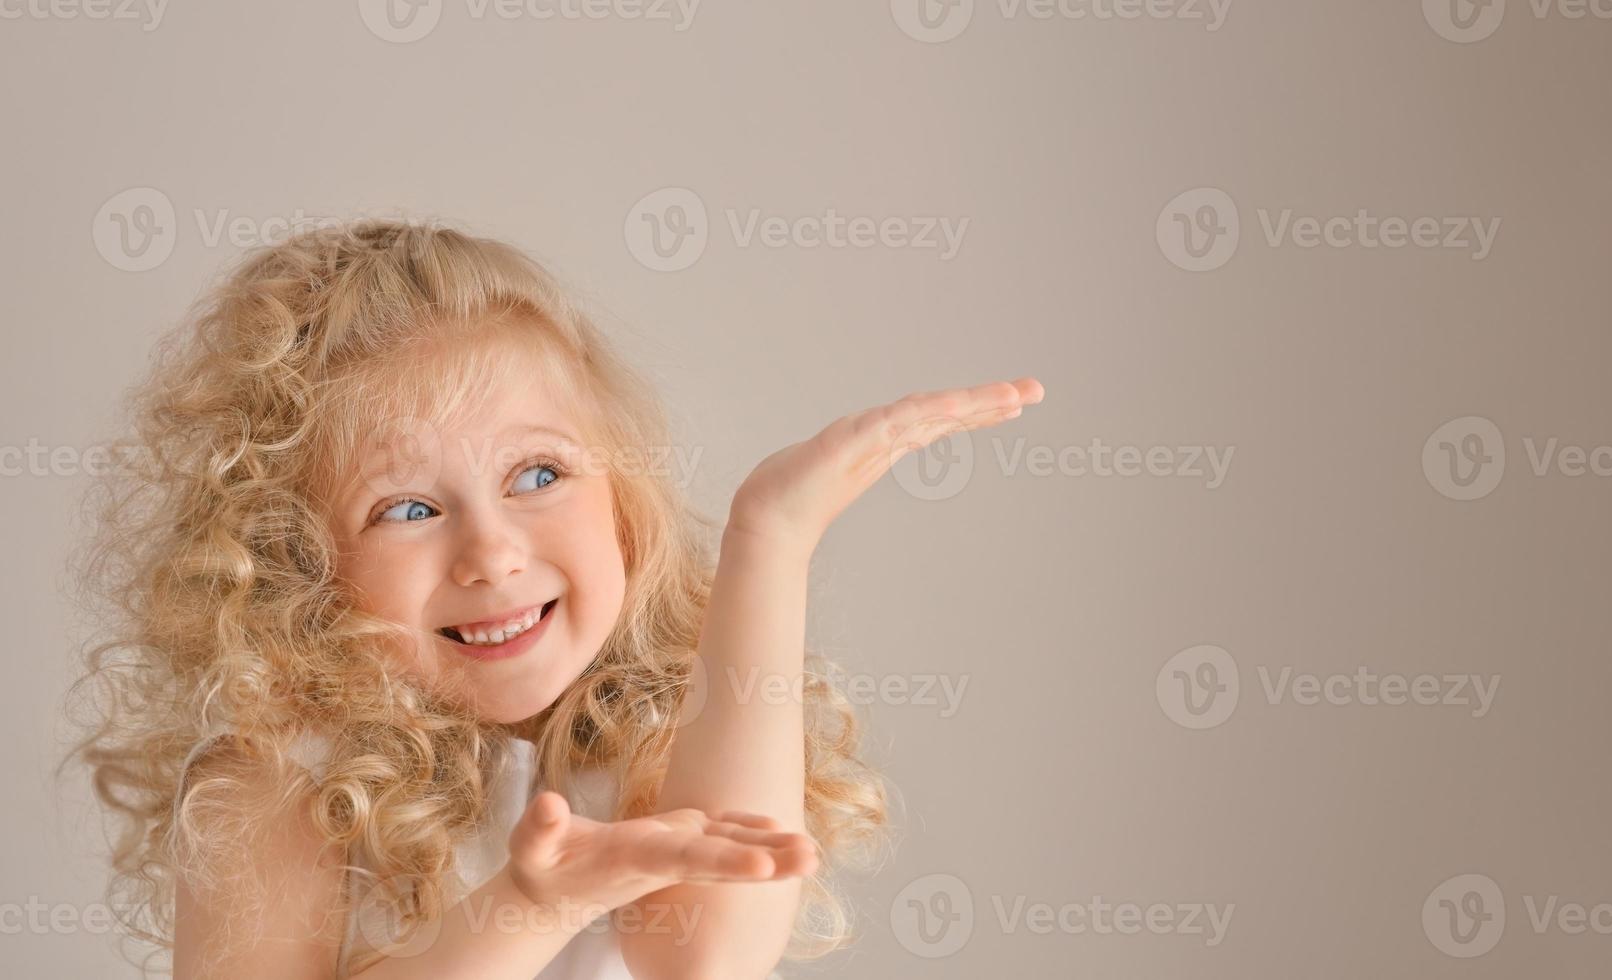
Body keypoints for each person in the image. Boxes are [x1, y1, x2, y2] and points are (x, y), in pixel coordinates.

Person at [63, 218, 1043, 978]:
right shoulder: (276, 776)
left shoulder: (642, 736)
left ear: (621, 498)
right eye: (406, 507)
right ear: (298, 565)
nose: (490, 551)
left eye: (538, 474)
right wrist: (527, 902)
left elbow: (703, 955)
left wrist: (769, 538)